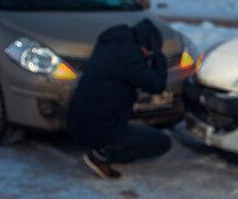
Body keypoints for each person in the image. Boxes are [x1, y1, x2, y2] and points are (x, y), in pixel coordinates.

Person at [68, 19, 171, 180]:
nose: (147, 56)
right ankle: (101, 155)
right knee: (161, 142)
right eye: (148, 52)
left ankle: (108, 146)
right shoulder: (128, 57)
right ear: (143, 45)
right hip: (98, 125)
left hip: (81, 118)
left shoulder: (112, 43)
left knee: (136, 132)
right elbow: (157, 85)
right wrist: (158, 55)